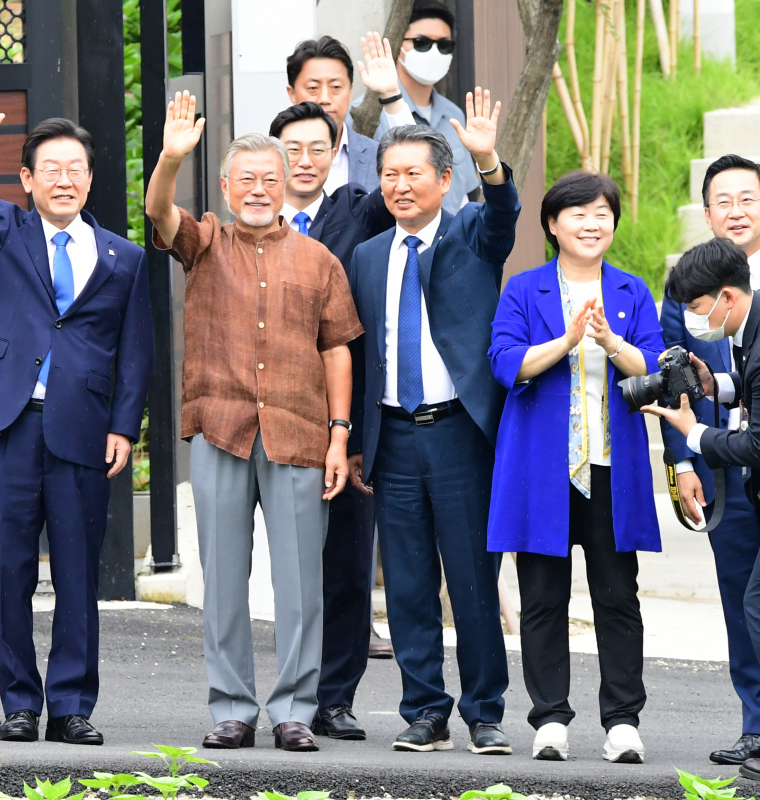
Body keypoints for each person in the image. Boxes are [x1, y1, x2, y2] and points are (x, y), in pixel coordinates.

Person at [0, 88, 152, 746]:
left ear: (90, 177)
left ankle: (73, 705)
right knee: (9, 569)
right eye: (50, 169)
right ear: (27, 179)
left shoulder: (123, 257)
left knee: (79, 572)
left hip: (83, 427)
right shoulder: (3, 232)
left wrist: (124, 426)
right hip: (9, 425)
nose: (64, 179)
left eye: (75, 168)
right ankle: (21, 702)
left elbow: (135, 354)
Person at [148, 92, 360, 754]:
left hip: (300, 434)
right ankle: (232, 706)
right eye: (248, 180)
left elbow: (337, 348)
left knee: (302, 585)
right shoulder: (205, 240)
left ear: (286, 185)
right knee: (224, 576)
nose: (261, 190)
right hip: (220, 427)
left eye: (271, 179)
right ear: (226, 187)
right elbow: (159, 215)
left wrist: (340, 434)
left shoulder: (319, 260)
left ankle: (296, 707)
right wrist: (169, 157)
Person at [347, 92, 518, 755]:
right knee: (410, 583)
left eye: (414, 173)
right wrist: (358, 439)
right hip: (393, 436)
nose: (400, 185)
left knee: (473, 577)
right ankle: (424, 710)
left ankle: (486, 712)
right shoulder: (367, 256)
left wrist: (489, 161)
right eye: (390, 174)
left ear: (444, 180)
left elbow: (504, 213)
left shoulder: (472, 233)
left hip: (459, 434)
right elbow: (366, 356)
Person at [488, 171, 664, 764]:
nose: (592, 224)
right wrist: (566, 340)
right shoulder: (524, 288)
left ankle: (621, 722)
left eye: (602, 214)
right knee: (542, 596)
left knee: (618, 596)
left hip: (612, 465)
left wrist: (610, 341)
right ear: (552, 225)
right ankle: (551, 720)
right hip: (545, 469)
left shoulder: (633, 290)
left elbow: (653, 375)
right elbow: (506, 363)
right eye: (578, 214)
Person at [267, 32, 413, 741]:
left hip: (349, 416)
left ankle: (335, 696)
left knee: (350, 562)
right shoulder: (253, 218)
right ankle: (286, 693)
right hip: (273, 413)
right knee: (289, 565)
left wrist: (390, 99)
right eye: (290, 150)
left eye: (316, 149)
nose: (302, 161)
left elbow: (410, 170)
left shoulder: (361, 206)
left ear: (336, 152)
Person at [642, 238, 760, 781]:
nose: (692, 319)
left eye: (695, 307)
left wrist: (696, 433)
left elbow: (757, 445)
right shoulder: (746, 330)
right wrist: (719, 385)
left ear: (727, 298)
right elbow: (753, 389)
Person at [372, 0, 480, 214]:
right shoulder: (373, 116)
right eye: (421, 42)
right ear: (398, 44)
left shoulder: (455, 115)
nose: (434, 53)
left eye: (444, 45)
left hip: (449, 241)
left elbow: (464, 197)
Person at [286, 35, 382, 193]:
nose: (324, 98)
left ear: (350, 92)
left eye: (336, 87)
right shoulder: (269, 158)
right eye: (312, 88)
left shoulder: (379, 157)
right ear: (292, 93)